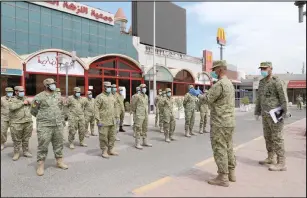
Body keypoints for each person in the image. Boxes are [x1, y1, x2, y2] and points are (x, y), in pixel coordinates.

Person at [194, 60, 236, 187]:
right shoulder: (229, 83)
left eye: (215, 70)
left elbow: (208, 99)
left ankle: (223, 177)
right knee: (228, 147)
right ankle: (231, 173)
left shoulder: (220, 84)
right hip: (229, 121)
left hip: (220, 122)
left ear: (220, 70)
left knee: (219, 148)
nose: (213, 72)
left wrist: (199, 95)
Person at [254, 61, 288, 171]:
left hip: (276, 114)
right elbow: (259, 98)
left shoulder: (277, 81)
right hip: (265, 114)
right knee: (268, 137)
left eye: (265, 68)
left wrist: (284, 112)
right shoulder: (262, 82)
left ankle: (281, 163)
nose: (262, 70)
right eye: (261, 69)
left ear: (270, 68)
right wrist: (257, 111)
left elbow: (284, 98)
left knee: (277, 138)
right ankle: (270, 157)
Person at [30, 78, 68, 176]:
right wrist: (44, 118)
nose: (54, 86)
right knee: (43, 145)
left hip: (57, 125)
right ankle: (40, 165)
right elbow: (33, 111)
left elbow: (61, 108)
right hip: (45, 126)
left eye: (54, 84)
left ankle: (59, 162)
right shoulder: (39, 97)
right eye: (52, 84)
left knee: (59, 144)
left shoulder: (58, 96)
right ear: (46, 86)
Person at [8, 86, 33, 161]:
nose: (22, 92)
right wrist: (23, 103)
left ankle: (25, 151)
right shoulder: (12, 99)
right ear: (16, 92)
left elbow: (34, 106)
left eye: (23, 91)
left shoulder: (26, 98)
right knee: (16, 139)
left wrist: (32, 102)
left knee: (26, 138)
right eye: (20, 91)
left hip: (27, 122)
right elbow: (11, 107)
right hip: (16, 123)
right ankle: (16, 153)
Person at [95, 82, 118, 158]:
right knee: (103, 137)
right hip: (103, 121)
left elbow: (115, 107)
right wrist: (98, 120)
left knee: (112, 136)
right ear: (104, 87)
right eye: (107, 87)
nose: (109, 88)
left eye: (110, 87)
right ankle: (104, 151)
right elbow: (96, 109)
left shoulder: (112, 96)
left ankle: (110, 149)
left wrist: (117, 117)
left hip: (112, 120)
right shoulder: (99, 97)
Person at [132, 84, 152, 149]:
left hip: (145, 114)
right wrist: (135, 114)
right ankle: (137, 143)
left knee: (145, 128)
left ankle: (144, 141)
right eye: (143, 88)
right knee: (138, 129)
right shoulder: (137, 96)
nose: (144, 89)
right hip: (139, 115)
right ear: (140, 89)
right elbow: (133, 105)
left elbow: (146, 105)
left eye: (145, 88)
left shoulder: (146, 96)